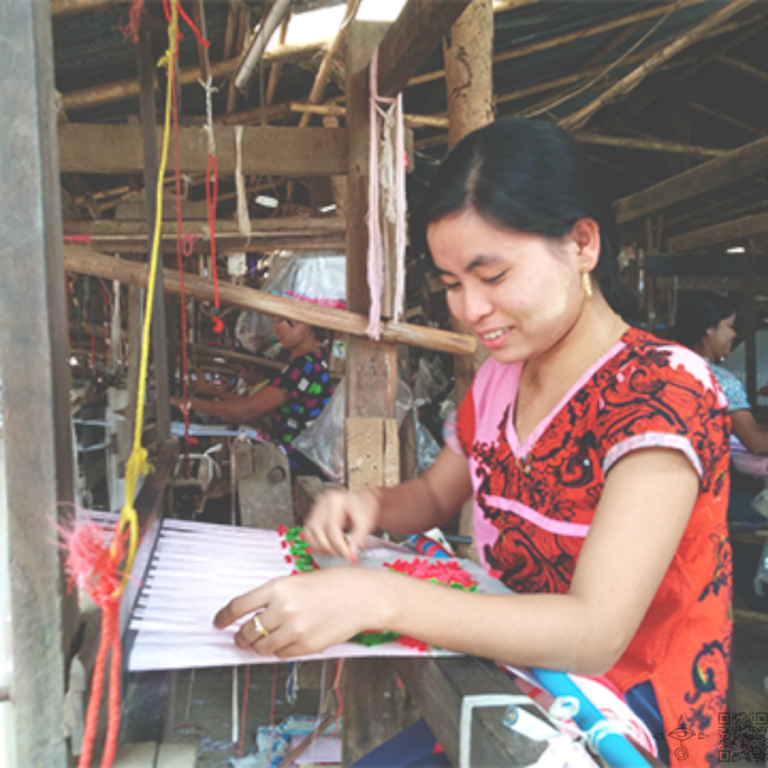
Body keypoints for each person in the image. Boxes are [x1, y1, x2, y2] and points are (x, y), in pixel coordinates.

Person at [214, 119, 731, 768]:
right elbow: (436, 493)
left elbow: (596, 632)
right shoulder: (498, 380)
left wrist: (379, 598)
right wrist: (368, 504)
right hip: (510, 677)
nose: (470, 309)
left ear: (582, 243)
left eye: (493, 275)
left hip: (629, 711)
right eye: (454, 283)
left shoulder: (662, 392)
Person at [171, 317, 333, 477]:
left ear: (303, 326)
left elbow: (248, 409)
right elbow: (249, 403)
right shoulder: (310, 363)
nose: (275, 329)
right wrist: (205, 394)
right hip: (301, 457)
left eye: (281, 322)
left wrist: (188, 403)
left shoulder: (304, 366)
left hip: (297, 463)